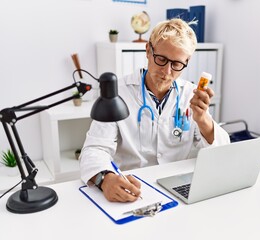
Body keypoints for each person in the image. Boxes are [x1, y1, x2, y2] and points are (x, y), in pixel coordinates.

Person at [79, 18, 230, 202]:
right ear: (148, 51)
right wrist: (105, 179)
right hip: (132, 189)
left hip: (176, 189)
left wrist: (204, 120)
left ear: (187, 61)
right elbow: (94, 149)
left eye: (176, 64)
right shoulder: (117, 92)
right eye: (161, 59)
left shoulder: (190, 94)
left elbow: (222, 156)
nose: (167, 72)